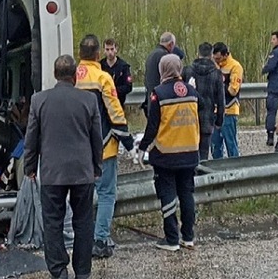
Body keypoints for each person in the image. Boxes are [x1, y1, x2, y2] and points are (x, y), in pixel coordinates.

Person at [24, 54, 102, 279]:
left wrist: (30, 166)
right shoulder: (89, 101)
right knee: (84, 222)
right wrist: (97, 166)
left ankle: (59, 270)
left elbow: (32, 138)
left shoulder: (39, 101)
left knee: (52, 223)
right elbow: (96, 138)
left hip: (52, 173)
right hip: (82, 172)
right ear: (75, 75)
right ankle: (83, 271)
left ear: (55, 74)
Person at [75, 34, 134, 259]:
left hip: (76, 147)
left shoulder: (70, 76)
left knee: (81, 194)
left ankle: (82, 239)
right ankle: (100, 240)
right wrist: (127, 141)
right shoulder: (102, 78)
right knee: (107, 192)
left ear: (80, 54)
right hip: (103, 146)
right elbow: (115, 112)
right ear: (98, 54)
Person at [138, 54, 200, 251]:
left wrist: (142, 147)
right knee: (187, 194)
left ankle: (172, 239)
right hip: (190, 151)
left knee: (167, 195)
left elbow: (153, 125)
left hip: (166, 154)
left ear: (162, 69)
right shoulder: (191, 91)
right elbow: (203, 110)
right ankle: (188, 237)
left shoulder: (159, 93)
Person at [182, 42, 225, 161]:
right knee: (204, 155)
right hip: (207, 118)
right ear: (211, 55)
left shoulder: (187, 71)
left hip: (189, 119)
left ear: (198, 54)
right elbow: (221, 101)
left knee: (190, 154)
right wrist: (219, 121)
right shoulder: (217, 74)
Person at [211, 42, 243, 159]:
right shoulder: (214, 66)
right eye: (214, 58)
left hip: (229, 110)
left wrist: (218, 78)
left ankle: (234, 168)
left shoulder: (235, 66)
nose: (217, 61)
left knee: (231, 144)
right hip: (214, 111)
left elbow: (233, 90)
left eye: (219, 58)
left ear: (225, 55)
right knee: (214, 146)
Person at [143, 32, 176, 117]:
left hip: (151, 101)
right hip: (162, 103)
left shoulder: (151, 55)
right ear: (171, 44)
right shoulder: (165, 57)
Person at [100, 38, 133, 107]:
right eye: (107, 49)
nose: (110, 52)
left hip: (118, 104)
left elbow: (128, 86)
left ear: (116, 49)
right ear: (104, 50)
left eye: (112, 49)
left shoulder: (124, 67)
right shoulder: (100, 66)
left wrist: (114, 91)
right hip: (103, 106)